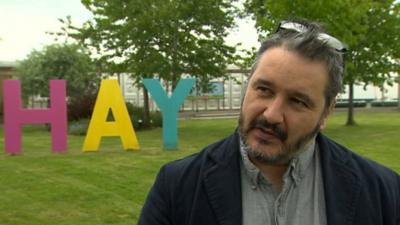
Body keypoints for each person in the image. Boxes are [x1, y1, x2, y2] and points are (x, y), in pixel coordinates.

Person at [138, 19, 400, 225]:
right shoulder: (178, 186)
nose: (271, 114)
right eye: (264, 89)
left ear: (326, 113)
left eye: (298, 101)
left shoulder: (383, 192)